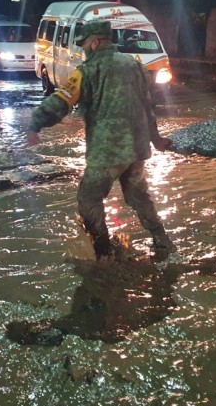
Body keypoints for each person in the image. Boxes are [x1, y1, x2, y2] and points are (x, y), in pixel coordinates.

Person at [26, 20, 174, 260]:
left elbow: (62, 101)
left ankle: (103, 252)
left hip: (108, 151)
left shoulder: (87, 71)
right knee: (138, 196)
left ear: (95, 42)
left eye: (84, 43)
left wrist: (35, 123)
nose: (83, 48)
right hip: (136, 149)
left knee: (89, 197)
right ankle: (162, 241)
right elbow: (148, 106)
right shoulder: (135, 66)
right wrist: (156, 140)